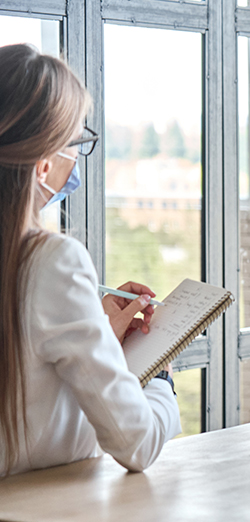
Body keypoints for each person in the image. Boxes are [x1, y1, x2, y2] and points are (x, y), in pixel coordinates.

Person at [0, 44, 181, 477]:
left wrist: (94, 331)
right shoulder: (52, 261)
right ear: (42, 166)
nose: (76, 158)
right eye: (75, 142)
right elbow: (137, 443)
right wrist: (158, 374)